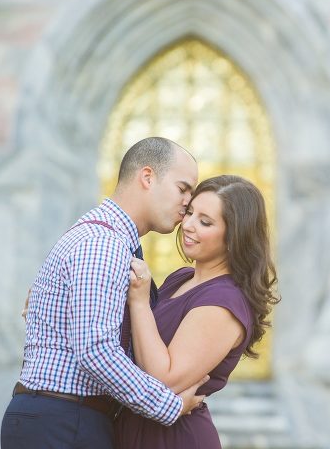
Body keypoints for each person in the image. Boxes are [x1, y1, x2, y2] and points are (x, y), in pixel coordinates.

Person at [1, 137, 206, 449]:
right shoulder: (103, 243)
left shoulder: (102, 237)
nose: (188, 204)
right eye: (183, 188)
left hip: (59, 419)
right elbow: (96, 351)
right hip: (65, 423)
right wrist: (170, 406)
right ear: (147, 177)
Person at [114, 175, 279, 448]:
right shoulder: (181, 278)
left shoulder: (223, 301)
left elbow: (163, 381)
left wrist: (141, 301)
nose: (187, 225)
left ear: (234, 236)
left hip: (173, 438)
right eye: (190, 212)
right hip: (133, 429)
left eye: (205, 222)